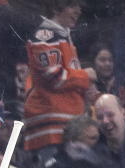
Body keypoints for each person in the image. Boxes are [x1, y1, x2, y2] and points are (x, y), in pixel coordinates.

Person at [23, 0, 95, 159]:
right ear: (56, 6)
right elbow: (54, 77)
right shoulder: (44, 36)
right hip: (51, 127)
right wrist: (85, 75)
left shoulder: (63, 37)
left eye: (79, 6)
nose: (78, 11)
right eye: (73, 6)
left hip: (67, 125)